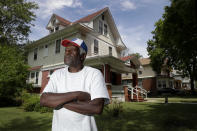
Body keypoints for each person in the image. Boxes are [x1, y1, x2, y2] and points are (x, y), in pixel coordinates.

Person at [40, 38, 110, 131]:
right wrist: (77, 95)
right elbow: (44, 100)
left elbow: (96, 107)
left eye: (72, 50)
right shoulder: (57, 74)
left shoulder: (94, 74)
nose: (67, 53)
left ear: (82, 56)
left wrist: (58, 102)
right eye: (66, 50)